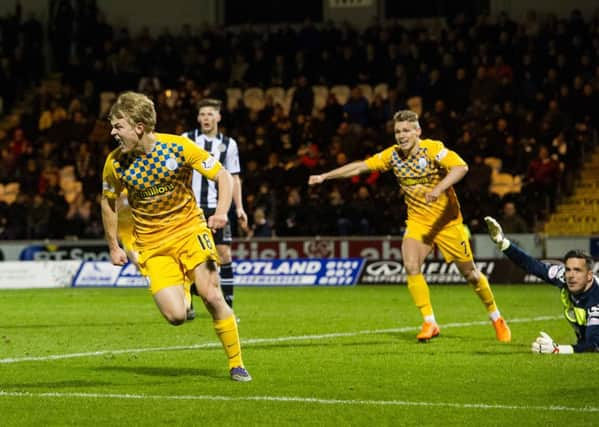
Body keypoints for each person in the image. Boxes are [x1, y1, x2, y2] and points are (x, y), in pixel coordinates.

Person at [309, 110, 511, 342]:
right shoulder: (392, 156)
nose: (401, 135)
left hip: (447, 223)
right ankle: (429, 322)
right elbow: (359, 167)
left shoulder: (433, 148)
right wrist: (325, 176)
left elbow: (461, 167)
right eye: (397, 131)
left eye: (406, 130)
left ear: (418, 131)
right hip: (418, 223)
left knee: (471, 275)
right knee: (411, 265)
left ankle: (496, 317)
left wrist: (438, 189)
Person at [101, 91, 251, 381]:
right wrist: (114, 245)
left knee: (211, 295)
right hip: (153, 245)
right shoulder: (116, 163)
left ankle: (236, 363)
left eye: (118, 126)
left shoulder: (179, 147)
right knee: (176, 317)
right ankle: (183, 284)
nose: (113, 132)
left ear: (139, 126)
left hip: (189, 231)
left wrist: (221, 212)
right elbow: (108, 201)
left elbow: (222, 176)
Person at [485, 216, 599, 354]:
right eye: (568, 269)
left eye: (577, 270)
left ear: (589, 276)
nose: (571, 275)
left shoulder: (595, 303)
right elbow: (532, 265)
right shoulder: (563, 276)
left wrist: (556, 349)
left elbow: (594, 345)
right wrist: (502, 242)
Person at [183, 98, 248, 308]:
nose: (206, 118)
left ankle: (227, 303)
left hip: (218, 207)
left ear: (218, 117)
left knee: (223, 253)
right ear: (197, 118)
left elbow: (234, 178)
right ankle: (186, 299)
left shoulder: (229, 145)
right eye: (202, 114)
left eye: (210, 114)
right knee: (187, 255)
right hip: (191, 208)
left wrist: (239, 207)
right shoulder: (187, 139)